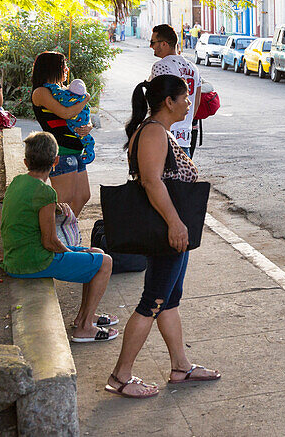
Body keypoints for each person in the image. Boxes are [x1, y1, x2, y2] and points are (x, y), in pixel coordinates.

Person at [106, 75, 220, 399]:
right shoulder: (154, 132)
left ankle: (180, 366)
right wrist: (175, 223)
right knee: (151, 303)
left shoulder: (158, 131)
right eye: (184, 97)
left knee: (169, 301)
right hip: (164, 233)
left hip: (169, 232)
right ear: (168, 102)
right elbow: (152, 182)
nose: (188, 103)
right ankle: (120, 376)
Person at [2, 131, 117, 342]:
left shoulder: (18, 182)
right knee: (105, 262)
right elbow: (50, 242)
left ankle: (84, 317)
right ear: (55, 161)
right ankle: (84, 328)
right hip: (33, 262)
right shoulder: (46, 192)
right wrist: (70, 252)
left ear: (26, 162)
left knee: (96, 252)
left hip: (16, 258)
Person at [30, 51, 93, 214]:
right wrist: (85, 99)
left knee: (82, 196)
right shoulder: (41, 92)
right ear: (52, 69)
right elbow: (66, 113)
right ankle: (50, 235)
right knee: (63, 199)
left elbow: (83, 115)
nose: (66, 70)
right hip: (61, 150)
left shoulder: (62, 91)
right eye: (64, 67)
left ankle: (64, 232)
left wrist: (89, 127)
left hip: (76, 149)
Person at [148, 23, 201, 157]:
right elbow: (196, 103)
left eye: (153, 42)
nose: (151, 46)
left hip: (165, 137)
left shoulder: (161, 66)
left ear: (164, 44)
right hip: (185, 138)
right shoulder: (193, 68)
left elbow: (159, 102)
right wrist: (185, 122)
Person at [48, 78, 95, 165]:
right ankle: (88, 156)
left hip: (72, 125)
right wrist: (86, 99)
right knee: (89, 142)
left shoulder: (65, 96)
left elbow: (56, 92)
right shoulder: (83, 99)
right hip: (80, 125)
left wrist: (51, 85)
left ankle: (85, 156)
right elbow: (86, 112)